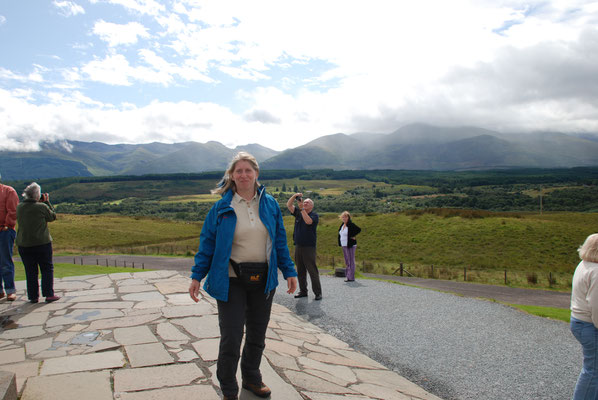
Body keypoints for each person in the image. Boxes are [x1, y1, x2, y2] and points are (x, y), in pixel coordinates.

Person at [189, 152, 297, 400]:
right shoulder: (221, 208)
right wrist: (197, 276)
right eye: (239, 171)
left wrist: (289, 271)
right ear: (232, 176)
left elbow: (279, 240)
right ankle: (228, 389)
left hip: (264, 280)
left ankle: (251, 378)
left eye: (248, 170)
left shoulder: (269, 204)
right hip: (230, 281)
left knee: (257, 334)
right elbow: (207, 244)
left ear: (256, 174)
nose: (244, 175)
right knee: (232, 336)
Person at [16, 183, 60, 304]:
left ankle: (33, 296)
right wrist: (46, 202)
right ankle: (49, 294)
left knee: (30, 271)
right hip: (42, 243)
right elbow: (52, 217)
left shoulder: (19, 207)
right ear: (37, 195)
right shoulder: (41, 207)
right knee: (46, 268)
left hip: (24, 244)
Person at [571, 233, 598, 399]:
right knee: (593, 370)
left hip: (579, 321)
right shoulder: (596, 272)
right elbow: (596, 306)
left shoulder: (584, 264)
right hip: (589, 324)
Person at [287, 193, 322, 300]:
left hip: (309, 247)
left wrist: (302, 209)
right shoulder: (298, 213)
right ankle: (303, 291)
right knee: (300, 271)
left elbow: (308, 222)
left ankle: (318, 293)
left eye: (307, 202)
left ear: (312, 206)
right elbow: (289, 205)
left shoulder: (314, 215)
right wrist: (294, 196)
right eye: (304, 202)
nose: (305, 203)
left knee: (312, 270)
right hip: (298, 246)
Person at [0, 173, 19, 302]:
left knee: (6, 261)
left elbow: (12, 211)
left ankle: (10, 290)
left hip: (4, 231)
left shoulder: (8, 191)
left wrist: (7, 225)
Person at [337, 211, 361, 282]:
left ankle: (351, 277)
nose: (344, 218)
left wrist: (353, 235)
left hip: (350, 245)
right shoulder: (342, 225)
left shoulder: (350, 224)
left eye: (345, 217)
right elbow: (340, 233)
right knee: (347, 261)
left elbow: (358, 229)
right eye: (343, 217)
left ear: (348, 217)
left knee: (351, 261)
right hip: (344, 245)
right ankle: (348, 276)